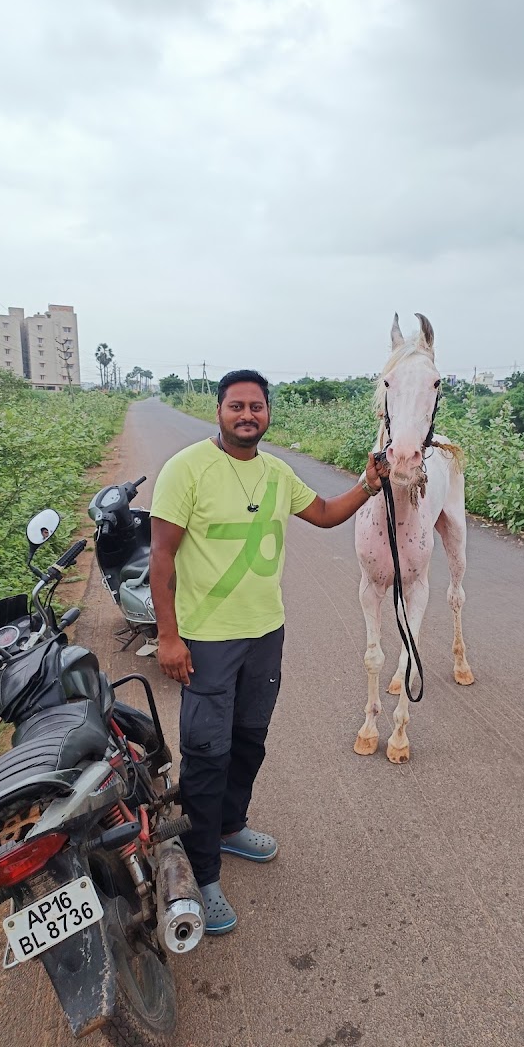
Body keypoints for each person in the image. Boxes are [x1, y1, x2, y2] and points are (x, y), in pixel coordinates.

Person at [150, 368, 384, 934]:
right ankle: (204, 877)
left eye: (256, 406)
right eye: (237, 406)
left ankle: (230, 827)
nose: (247, 415)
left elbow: (325, 514)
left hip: (265, 635)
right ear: (219, 411)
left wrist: (369, 485)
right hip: (206, 639)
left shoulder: (277, 472)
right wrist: (169, 635)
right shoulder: (186, 469)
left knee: (249, 740)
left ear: (268, 413)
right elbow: (160, 559)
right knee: (206, 754)